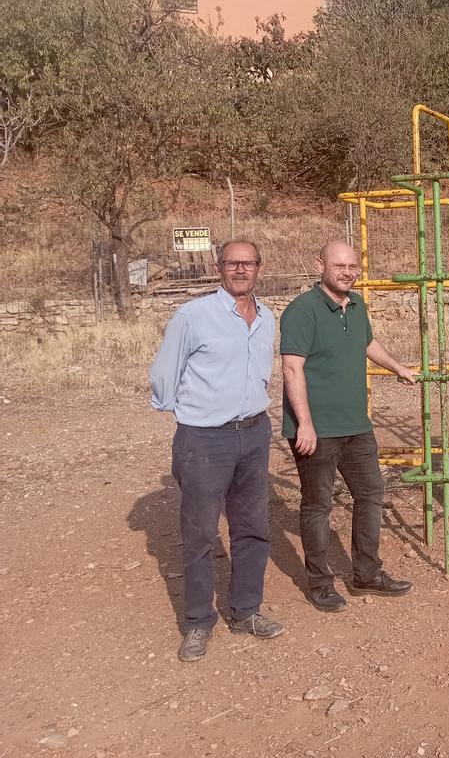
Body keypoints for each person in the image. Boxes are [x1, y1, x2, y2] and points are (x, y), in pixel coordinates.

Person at [150, 239, 284, 663]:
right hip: (204, 438)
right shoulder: (194, 315)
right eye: (232, 263)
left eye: (248, 264)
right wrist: (190, 416)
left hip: (255, 433)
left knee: (252, 527)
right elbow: (164, 372)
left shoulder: (267, 317)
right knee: (201, 534)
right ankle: (196, 623)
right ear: (218, 266)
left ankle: (246, 611)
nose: (240, 270)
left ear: (259, 268)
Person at [280, 240, 418, 613]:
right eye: (340, 265)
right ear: (319, 264)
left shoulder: (356, 307)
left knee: (371, 494)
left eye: (353, 266)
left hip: (356, 425)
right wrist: (304, 424)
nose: (347, 272)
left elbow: (367, 343)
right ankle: (320, 583)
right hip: (316, 430)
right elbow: (292, 368)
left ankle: (366, 574)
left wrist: (399, 368)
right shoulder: (302, 310)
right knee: (317, 506)